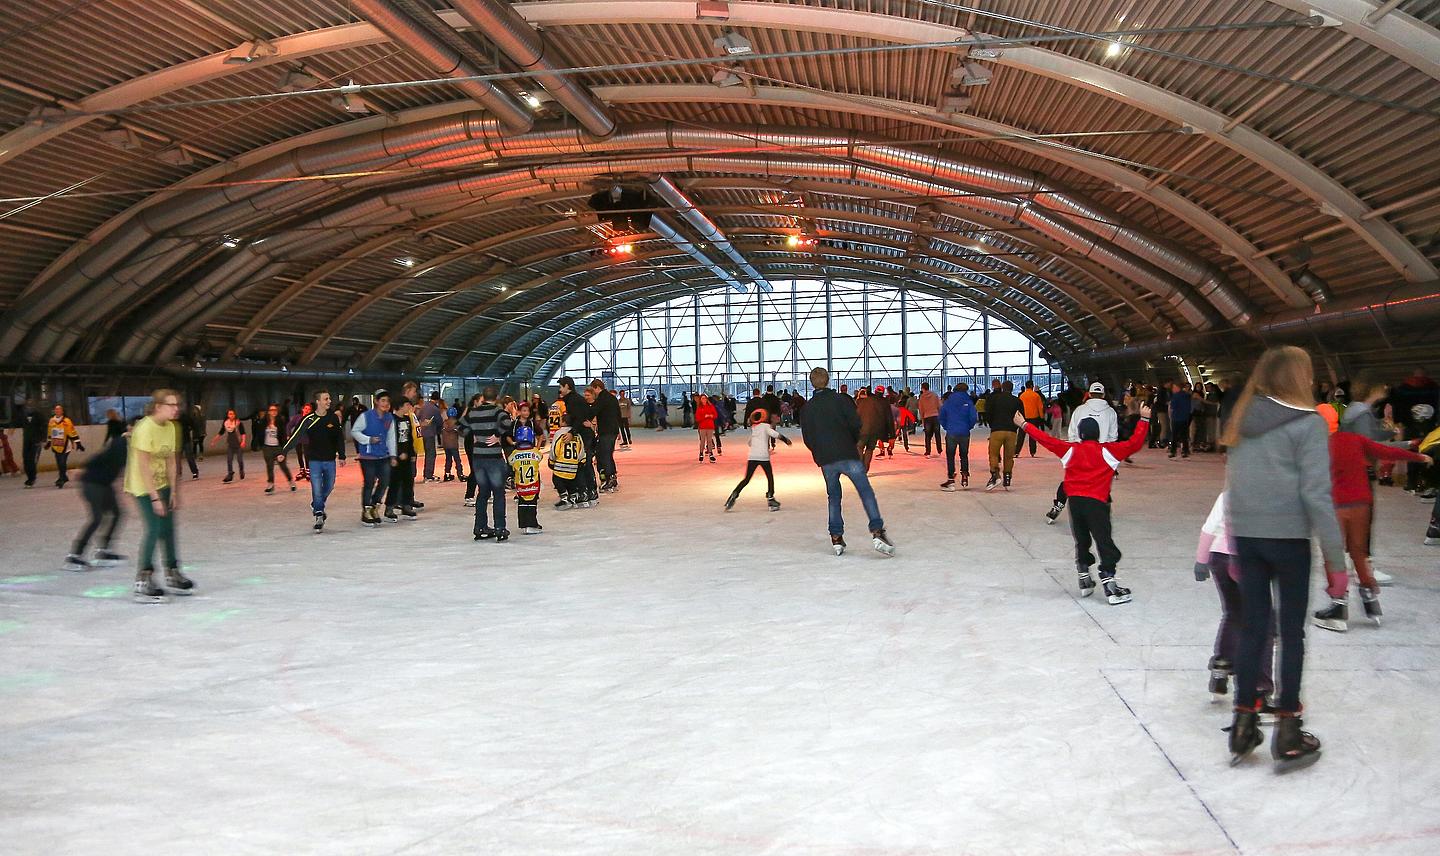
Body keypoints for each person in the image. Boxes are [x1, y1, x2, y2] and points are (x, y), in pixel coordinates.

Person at [1222, 345, 1345, 772]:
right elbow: (1316, 494)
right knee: (1291, 633)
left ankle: (1243, 720)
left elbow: (1233, 486)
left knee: (1254, 627)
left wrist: (1236, 542)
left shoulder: (1241, 417)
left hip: (1248, 537)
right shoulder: (1308, 424)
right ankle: (1288, 729)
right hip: (1289, 540)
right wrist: (1336, 561)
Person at [1015, 405, 1151, 604]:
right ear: (1097, 435)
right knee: (1104, 542)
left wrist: (1024, 424)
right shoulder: (1108, 451)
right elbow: (1135, 443)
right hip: (1097, 503)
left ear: (1079, 434)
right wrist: (1144, 420)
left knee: (1082, 540)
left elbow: (1047, 440)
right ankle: (1110, 585)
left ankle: (1084, 577)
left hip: (1075, 503)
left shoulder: (1070, 450)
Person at [1313, 417, 1431, 632]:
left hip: (1336, 505)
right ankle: (1369, 599)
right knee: (1359, 551)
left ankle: (1338, 605)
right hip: (1362, 502)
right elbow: (1386, 451)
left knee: (1334, 555)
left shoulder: (1316, 446)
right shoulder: (1355, 439)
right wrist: (1418, 457)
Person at [799, 367, 894, 556]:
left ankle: (836, 537)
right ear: (828, 381)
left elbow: (807, 437)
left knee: (833, 497)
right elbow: (856, 424)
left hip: (826, 459)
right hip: (847, 453)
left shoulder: (807, 408)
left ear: (812, 383)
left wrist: (819, 453)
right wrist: (850, 441)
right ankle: (877, 531)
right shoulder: (841, 400)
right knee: (865, 491)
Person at [1195, 492, 1276, 705]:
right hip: (1248, 561)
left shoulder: (1228, 495)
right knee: (1264, 623)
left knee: (1234, 612)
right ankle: (1259, 688)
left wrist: (1201, 561)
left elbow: (1209, 527)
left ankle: (1222, 664)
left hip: (1219, 558)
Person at [125, 389, 192, 603]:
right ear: (158, 407)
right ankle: (143, 579)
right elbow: (143, 466)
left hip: (162, 483)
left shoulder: (173, 427)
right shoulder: (144, 428)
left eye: (177, 405)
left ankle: (172, 572)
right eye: (171, 405)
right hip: (143, 486)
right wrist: (155, 497)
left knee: (168, 528)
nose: (176, 409)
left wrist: (173, 491)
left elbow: (172, 461)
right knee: (154, 527)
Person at [1046, 382, 1119, 523]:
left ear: (1089, 394)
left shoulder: (1079, 410)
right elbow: (1113, 437)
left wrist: (1076, 448)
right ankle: (1102, 510)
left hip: (1081, 452)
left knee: (1070, 481)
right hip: (1101, 454)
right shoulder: (1110, 412)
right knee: (1101, 482)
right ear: (1103, 395)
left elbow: (1072, 433)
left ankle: (1058, 505)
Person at [280, 389, 347, 533]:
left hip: (329, 459)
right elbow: (296, 436)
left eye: (329, 399)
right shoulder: (309, 419)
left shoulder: (333, 418)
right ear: (318, 402)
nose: (329, 401)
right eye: (326, 399)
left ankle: (316, 504)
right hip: (315, 460)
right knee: (317, 489)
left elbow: (339, 438)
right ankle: (319, 515)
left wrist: (342, 455)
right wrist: (284, 451)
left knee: (329, 486)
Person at [65, 427, 128, 571]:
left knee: (117, 513)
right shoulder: (121, 443)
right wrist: (82, 468)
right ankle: (74, 555)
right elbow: (101, 455)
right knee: (97, 518)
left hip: (104, 483)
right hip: (92, 482)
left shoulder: (134, 446)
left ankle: (103, 551)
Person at [460, 385, 513, 541]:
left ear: (482, 398)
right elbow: (507, 422)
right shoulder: (498, 411)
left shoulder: (473, 412)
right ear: (496, 398)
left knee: (483, 492)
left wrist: (473, 434)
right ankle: (500, 527)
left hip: (478, 457)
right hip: (494, 457)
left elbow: (460, 426)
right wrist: (497, 435)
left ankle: (480, 526)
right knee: (498, 493)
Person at [725, 410, 793, 511]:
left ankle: (734, 494)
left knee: (746, 479)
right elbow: (774, 434)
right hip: (763, 457)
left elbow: (749, 443)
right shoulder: (765, 426)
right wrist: (785, 440)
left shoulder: (754, 428)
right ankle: (770, 498)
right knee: (769, 477)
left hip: (752, 456)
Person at [350, 389, 397, 528]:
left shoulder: (389, 418)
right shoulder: (366, 416)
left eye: (387, 401)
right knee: (369, 482)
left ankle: (374, 505)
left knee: (385, 482)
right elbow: (354, 431)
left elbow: (391, 437)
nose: (385, 404)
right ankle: (366, 510)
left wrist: (393, 455)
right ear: (376, 401)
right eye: (382, 400)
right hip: (368, 456)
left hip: (384, 455)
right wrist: (368, 440)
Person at [559, 377, 598, 504]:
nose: (560, 389)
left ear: (567, 386)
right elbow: (586, 414)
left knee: (583, 463)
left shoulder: (574, 400)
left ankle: (588, 491)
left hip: (584, 436)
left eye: (561, 386)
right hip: (583, 434)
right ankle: (588, 490)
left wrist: (572, 432)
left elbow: (579, 418)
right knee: (583, 463)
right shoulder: (572, 399)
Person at [937, 383, 978, 490]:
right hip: (964, 432)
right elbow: (973, 417)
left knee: (950, 455)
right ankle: (964, 475)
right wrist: (968, 426)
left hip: (951, 432)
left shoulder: (948, 402)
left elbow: (941, 416)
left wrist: (947, 426)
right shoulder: (968, 402)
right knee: (964, 455)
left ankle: (951, 480)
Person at [984, 381, 1023, 491]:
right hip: (1011, 431)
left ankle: (995, 475)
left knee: (993, 454)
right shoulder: (1017, 401)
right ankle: (1007, 477)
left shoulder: (995, 399)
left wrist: (992, 425)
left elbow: (988, 413)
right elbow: (1020, 416)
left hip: (997, 430)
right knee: (1009, 456)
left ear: (1002, 388)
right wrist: (1015, 427)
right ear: (1012, 389)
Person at [253, 403, 296, 495]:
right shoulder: (264, 421)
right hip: (267, 447)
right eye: (271, 410)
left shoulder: (281, 421)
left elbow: (283, 436)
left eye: (275, 410)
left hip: (278, 447)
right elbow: (259, 433)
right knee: (269, 466)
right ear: (268, 412)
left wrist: (284, 449)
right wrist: (260, 444)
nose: (273, 412)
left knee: (283, 466)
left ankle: (291, 481)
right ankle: (270, 484)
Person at [547, 411, 587, 509]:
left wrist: (551, 460)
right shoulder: (576, 435)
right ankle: (573, 497)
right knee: (570, 481)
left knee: (557, 480)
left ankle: (564, 498)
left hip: (561, 464)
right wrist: (582, 460)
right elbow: (581, 449)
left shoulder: (559, 433)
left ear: (564, 422)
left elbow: (555, 448)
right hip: (573, 465)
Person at [510, 424, 544, 535]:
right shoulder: (535, 452)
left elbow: (510, 462)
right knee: (532, 505)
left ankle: (524, 524)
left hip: (521, 486)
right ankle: (532, 524)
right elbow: (540, 457)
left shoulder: (515, 454)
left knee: (522, 505)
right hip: (533, 485)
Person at [590, 380, 622, 493]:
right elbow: (619, 414)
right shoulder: (612, 398)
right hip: (612, 430)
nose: (593, 392)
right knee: (608, 454)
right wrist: (618, 430)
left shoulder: (602, 398)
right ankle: (612, 477)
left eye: (593, 389)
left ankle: (609, 479)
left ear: (597, 387)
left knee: (604, 455)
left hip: (606, 431)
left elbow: (592, 411)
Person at [854, 387, 892, 472]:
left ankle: (860, 467)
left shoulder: (860, 403)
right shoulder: (881, 403)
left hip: (862, 430)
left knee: (859, 447)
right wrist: (890, 434)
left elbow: (856, 417)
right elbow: (887, 418)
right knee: (869, 449)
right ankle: (865, 468)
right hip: (874, 431)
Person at [47, 404, 82, 488]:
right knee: (59, 463)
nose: (57, 411)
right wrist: (48, 442)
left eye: (59, 409)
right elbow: (49, 432)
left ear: (62, 411)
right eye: (56, 409)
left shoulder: (67, 421)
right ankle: (63, 477)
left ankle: (62, 479)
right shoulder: (51, 420)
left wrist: (78, 443)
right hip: (56, 445)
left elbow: (72, 432)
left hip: (66, 446)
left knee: (62, 462)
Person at [15, 399, 45, 488]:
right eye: (27, 405)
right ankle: (29, 477)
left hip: (36, 441)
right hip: (26, 440)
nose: (29, 406)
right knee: (25, 459)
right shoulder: (23, 415)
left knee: (32, 460)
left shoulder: (39, 414)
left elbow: (44, 425)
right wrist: (12, 427)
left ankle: (32, 478)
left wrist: (43, 438)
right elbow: (17, 421)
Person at [212, 409, 247, 482]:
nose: (231, 415)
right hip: (230, 444)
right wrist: (214, 440)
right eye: (230, 414)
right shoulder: (226, 423)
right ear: (227, 415)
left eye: (233, 414)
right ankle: (230, 474)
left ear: (235, 415)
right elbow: (221, 432)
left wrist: (243, 441)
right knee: (229, 460)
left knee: (240, 460)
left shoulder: (238, 423)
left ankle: (241, 470)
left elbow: (243, 433)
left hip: (238, 444)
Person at [418, 391, 443, 483]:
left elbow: (418, 417)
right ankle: (428, 475)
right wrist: (439, 430)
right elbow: (439, 422)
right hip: (430, 433)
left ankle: (426, 473)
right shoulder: (435, 409)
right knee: (431, 454)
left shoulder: (424, 406)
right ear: (437, 400)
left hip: (422, 433)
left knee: (427, 454)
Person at [283, 403, 311, 482]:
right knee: (299, 454)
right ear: (303, 409)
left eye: (309, 409)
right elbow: (289, 425)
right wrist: (288, 435)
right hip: (297, 439)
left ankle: (308, 471)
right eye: (306, 409)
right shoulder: (297, 417)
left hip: (307, 439)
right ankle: (302, 470)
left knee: (307, 455)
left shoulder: (311, 418)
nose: (307, 410)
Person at [1018, 381, 1046, 457]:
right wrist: (1041, 417)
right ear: (1031, 386)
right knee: (1033, 435)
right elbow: (1040, 407)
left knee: (1021, 435)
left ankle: (1017, 451)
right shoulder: (1036, 395)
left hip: (1023, 418)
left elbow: (1019, 407)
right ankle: (1032, 451)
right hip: (1034, 418)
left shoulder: (1022, 395)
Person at [1168, 382, 1193, 458]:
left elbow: (1172, 408)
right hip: (1185, 418)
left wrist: (1170, 416)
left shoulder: (1175, 396)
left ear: (1177, 388)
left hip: (1176, 417)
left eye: (1174, 387)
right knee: (1184, 435)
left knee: (1174, 436)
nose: (1172, 389)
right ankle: (1185, 451)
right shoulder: (1187, 395)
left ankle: (1173, 451)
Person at [695, 392, 718, 462]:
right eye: (702, 398)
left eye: (705, 398)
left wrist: (711, 416)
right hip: (702, 426)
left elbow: (715, 415)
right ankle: (701, 453)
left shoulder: (711, 406)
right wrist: (704, 417)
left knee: (709, 441)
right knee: (702, 441)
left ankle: (711, 454)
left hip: (710, 426)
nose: (704, 400)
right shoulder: (699, 408)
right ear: (700, 400)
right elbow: (697, 418)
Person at [440, 413, 464, 482]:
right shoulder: (456, 423)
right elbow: (461, 433)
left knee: (448, 460)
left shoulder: (444, 423)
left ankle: (447, 474)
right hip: (453, 445)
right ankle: (460, 474)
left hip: (446, 445)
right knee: (457, 460)